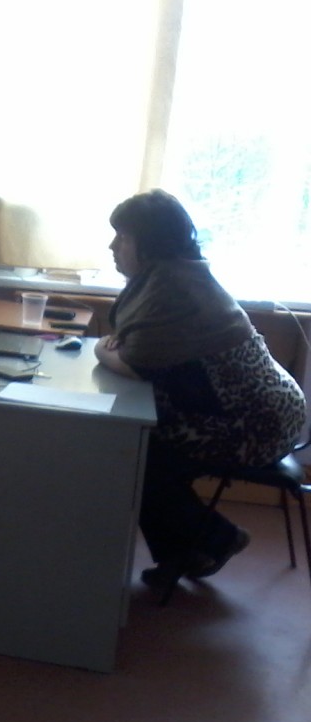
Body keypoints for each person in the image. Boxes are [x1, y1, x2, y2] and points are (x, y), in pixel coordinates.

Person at [94, 189, 306, 589]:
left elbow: (135, 365)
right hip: (257, 410)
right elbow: (143, 354)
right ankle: (191, 550)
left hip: (258, 425)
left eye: (122, 237)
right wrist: (116, 351)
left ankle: (213, 540)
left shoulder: (171, 289)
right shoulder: (179, 275)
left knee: (133, 450)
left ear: (150, 243)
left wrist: (100, 350)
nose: (112, 246)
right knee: (138, 445)